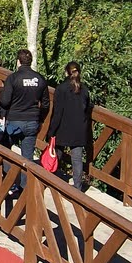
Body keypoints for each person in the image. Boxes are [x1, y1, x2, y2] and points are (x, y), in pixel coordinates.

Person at [0, 48, 50, 194]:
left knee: (4, 148)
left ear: (18, 62)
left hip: (14, 121)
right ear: (31, 61)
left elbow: (5, 101)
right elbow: (46, 104)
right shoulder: (39, 79)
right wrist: (40, 119)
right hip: (32, 122)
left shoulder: (13, 78)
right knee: (27, 157)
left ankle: (8, 181)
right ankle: (24, 188)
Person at [46, 61, 91, 191]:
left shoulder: (61, 89)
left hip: (63, 128)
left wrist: (51, 131)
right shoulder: (84, 90)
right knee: (77, 159)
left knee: (57, 154)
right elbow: (87, 110)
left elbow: (57, 112)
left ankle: (51, 180)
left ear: (66, 72)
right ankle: (78, 187)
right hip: (79, 130)